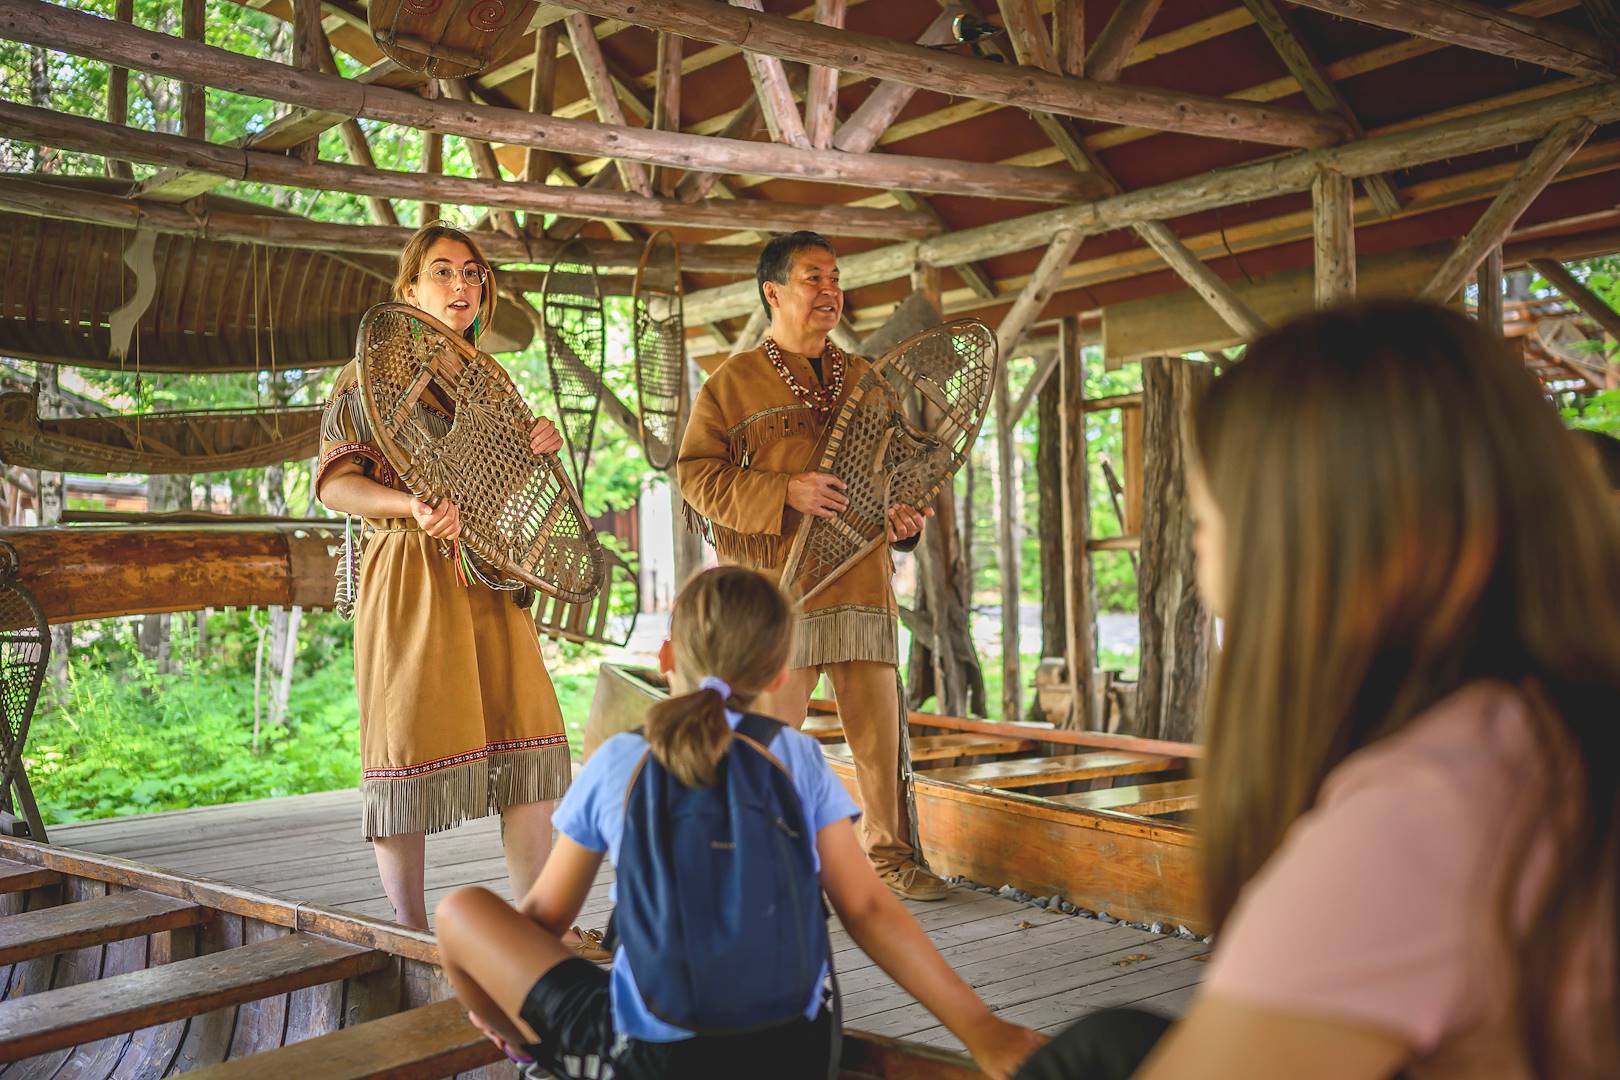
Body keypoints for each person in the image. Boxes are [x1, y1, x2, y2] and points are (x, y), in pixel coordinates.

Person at [1016, 301, 1620, 1080]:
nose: (1203, 560)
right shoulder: (1545, 725)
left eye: (1206, 522)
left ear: (1307, 538)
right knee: (1114, 1044)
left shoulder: (1419, 818)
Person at [434, 566, 1048, 1080]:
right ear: (779, 675)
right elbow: (868, 910)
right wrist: (982, 1029)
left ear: (666, 656)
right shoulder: (795, 755)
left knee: (461, 912)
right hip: (798, 1053)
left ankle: (525, 1049)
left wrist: (502, 1002)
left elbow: (543, 921)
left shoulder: (622, 759)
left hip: (654, 1062)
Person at [316, 223, 591, 947]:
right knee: (406, 742)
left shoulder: (488, 383)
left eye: (472, 273)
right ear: (409, 290)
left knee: (529, 738)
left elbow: (503, 489)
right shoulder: (365, 377)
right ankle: (410, 933)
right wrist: (408, 505)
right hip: (408, 571)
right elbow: (337, 486)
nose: (462, 285)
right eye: (442, 272)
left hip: (490, 571)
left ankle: (540, 924)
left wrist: (533, 448)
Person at [676, 231, 945, 901]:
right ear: (773, 292)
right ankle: (749, 863)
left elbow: (893, 478)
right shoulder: (730, 383)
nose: (830, 290)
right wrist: (784, 491)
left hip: (860, 583)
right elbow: (695, 477)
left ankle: (891, 858)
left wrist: (902, 522)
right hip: (778, 592)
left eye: (835, 278)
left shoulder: (866, 380)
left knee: (880, 738)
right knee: (765, 739)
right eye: (812, 278)